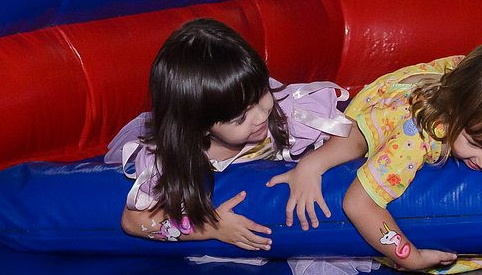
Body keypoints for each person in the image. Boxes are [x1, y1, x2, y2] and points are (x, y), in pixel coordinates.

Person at [266, 40, 482, 274]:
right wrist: (408, 256)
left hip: (458, 84)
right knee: (360, 135)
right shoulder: (423, 131)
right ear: (454, 113)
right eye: (473, 143)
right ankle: (314, 162)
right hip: (389, 104)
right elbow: (358, 204)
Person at [104, 18, 354, 249]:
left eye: (261, 95)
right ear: (202, 126)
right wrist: (211, 228)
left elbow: (356, 134)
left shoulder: (285, 110)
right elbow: (133, 221)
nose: (261, 116)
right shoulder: (172, 157)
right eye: (240, 118)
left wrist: (311, 166)